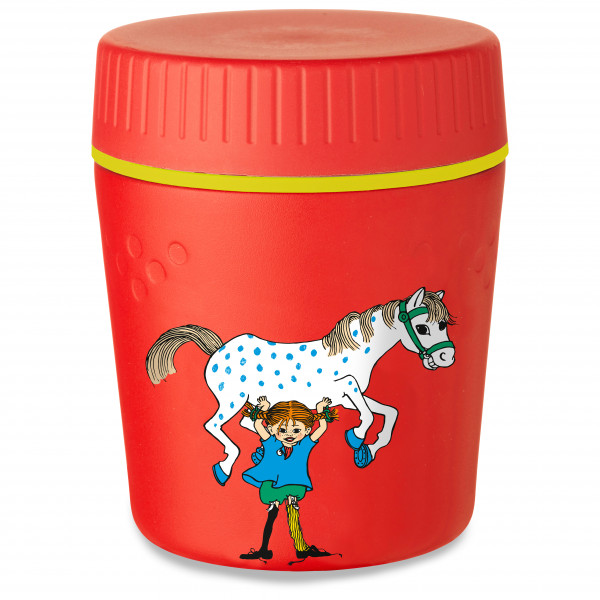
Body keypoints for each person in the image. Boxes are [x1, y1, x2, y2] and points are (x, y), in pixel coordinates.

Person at [239, 395, 338, 563]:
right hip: (273, 485)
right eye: (282, 431)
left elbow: (322, 427)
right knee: (272, 514)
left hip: (293, 484)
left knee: (293, 513)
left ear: (307, 430)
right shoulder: (271, 442)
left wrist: (320, 409)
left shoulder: (304, 445)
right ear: (272, 429)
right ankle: (264, 548)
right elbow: (257, 425)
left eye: (296, 431)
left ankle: (301, 548)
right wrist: (264, 407)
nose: (289, 435)